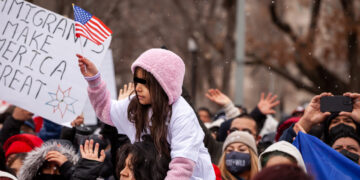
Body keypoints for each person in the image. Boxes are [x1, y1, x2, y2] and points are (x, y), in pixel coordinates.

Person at [77, 48, 214, 179]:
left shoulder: (182, 115)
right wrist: (94, 80)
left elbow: (182, 166)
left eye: (145, 83)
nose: (138, 88)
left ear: (163, 85)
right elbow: (106, 111)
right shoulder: (135, 105)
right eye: (136, 81)